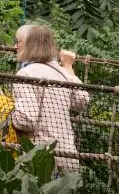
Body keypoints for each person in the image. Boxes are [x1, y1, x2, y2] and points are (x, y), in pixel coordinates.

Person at [8, 23, 90, 172]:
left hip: (40, 160)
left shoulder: (25, 74)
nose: (15, 46)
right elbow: (81, 100)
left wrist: (7, 113)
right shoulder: (64, 73)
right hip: (67, 157)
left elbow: (27, 120)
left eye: (18, 41)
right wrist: (69, 67)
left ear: (29, 44)